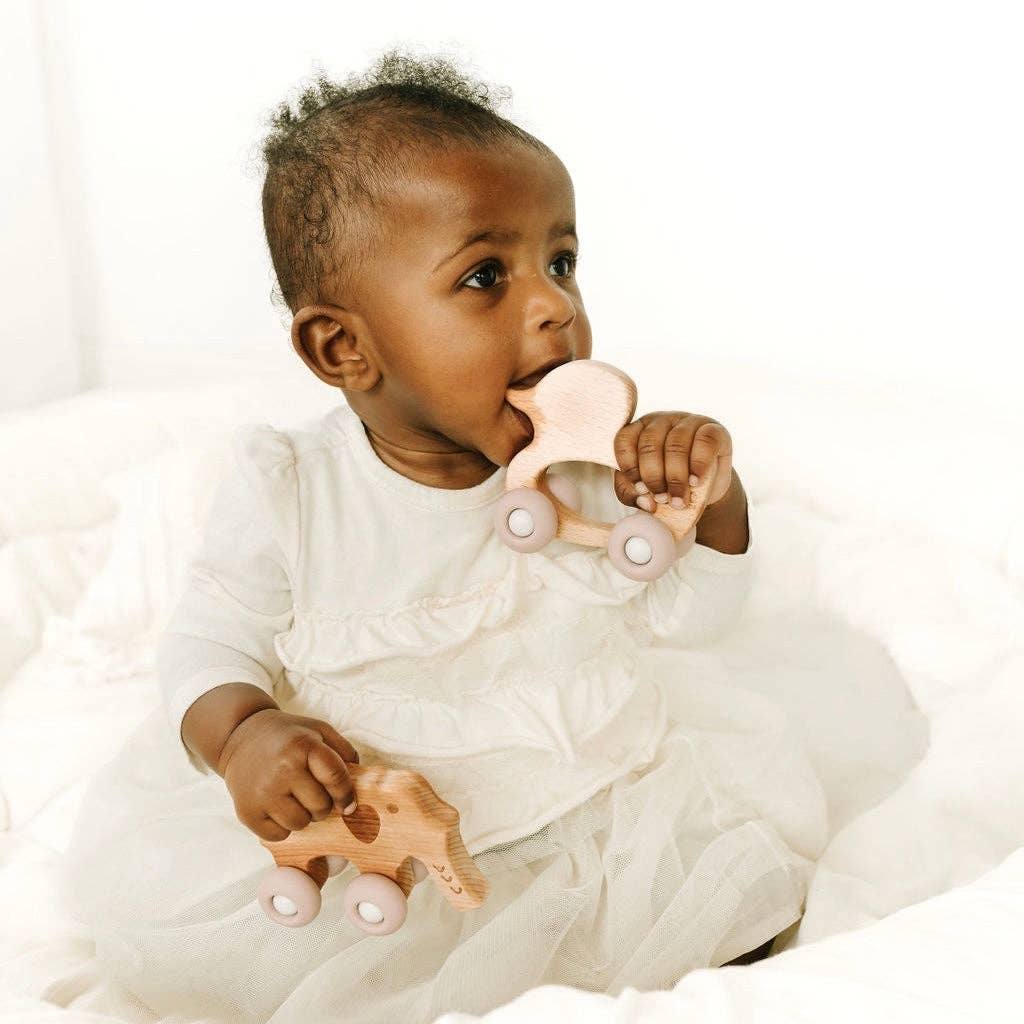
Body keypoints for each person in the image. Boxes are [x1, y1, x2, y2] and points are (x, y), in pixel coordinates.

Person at [59, 48, 827, 1024]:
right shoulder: (293, 492)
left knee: (725, 906)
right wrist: (245, 735)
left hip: (585, 797)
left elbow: (694, 620)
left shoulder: (591, 470)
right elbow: (208, 641)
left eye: (561, 262)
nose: (554, 305)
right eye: (484, 276)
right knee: (332, 982)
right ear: (344, 346)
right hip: (381, 827)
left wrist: (708, 500)